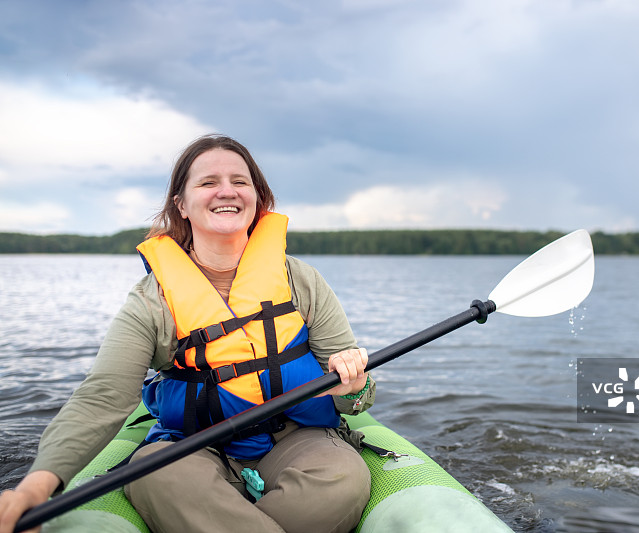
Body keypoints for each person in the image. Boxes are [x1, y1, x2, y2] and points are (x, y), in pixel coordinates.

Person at [0, 134, 375, 533]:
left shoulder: (303, 281)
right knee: (156, 473)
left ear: (258, 197)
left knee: (340, 481)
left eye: (240, 181)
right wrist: (36, 486)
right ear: (181, 204)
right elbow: (103, 397)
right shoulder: (151, 302)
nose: (226, 191)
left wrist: (351, 385)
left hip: (297, 438)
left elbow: (359, 398)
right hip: (195, 445)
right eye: (208, 182)